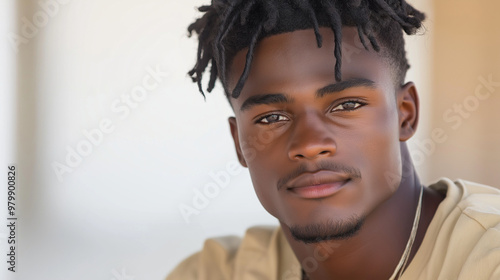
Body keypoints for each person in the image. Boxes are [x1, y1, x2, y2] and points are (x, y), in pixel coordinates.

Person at [167, 0, 500, 279]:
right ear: (240, 142)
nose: (309, 144)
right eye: (271, 118)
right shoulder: (215, 273)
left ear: (405, 113)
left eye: (346, 105)